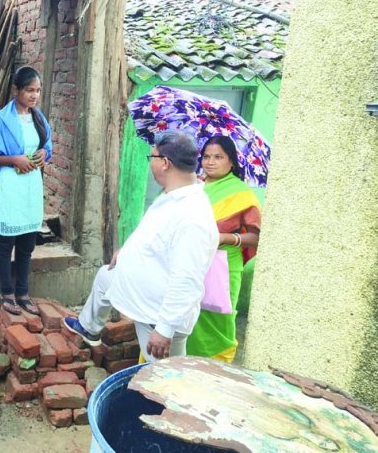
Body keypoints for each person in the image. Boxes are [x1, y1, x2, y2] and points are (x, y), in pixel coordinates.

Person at [64, 131, 219, 361]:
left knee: (163, 383)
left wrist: (164, 330)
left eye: (152, 157)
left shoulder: (192, 217)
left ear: (165, 163)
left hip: (156, 316)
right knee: (105, 277)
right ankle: (89, 327)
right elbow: (154, 236)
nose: (150, 163)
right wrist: (125, 253)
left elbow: (187, 279)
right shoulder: (173, 196)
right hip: (141, 294)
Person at [0, 66, 53, 316]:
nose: (35, 96)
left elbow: (47, 147)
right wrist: (14, 160)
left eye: (38, 91)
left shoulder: (39, 119)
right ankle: (6, 292)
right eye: (30, 90)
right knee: (7, 240)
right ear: (16, 90)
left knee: (28, 240)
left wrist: (43, 153)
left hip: (30, 185)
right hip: (8, 185)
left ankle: (23, 292)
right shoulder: (1, 120)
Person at [186, 135, 261, 362]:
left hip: (223, 266)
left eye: (218, 157)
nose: (210, 162)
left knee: (216, 317)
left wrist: (225, 237)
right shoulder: (192, 186)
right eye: (206, 156)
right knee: (185, 311)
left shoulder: (241, 193)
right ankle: (179, 362)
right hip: (190, 260)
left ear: (231, 162)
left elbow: (257, 237)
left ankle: (214, 367)